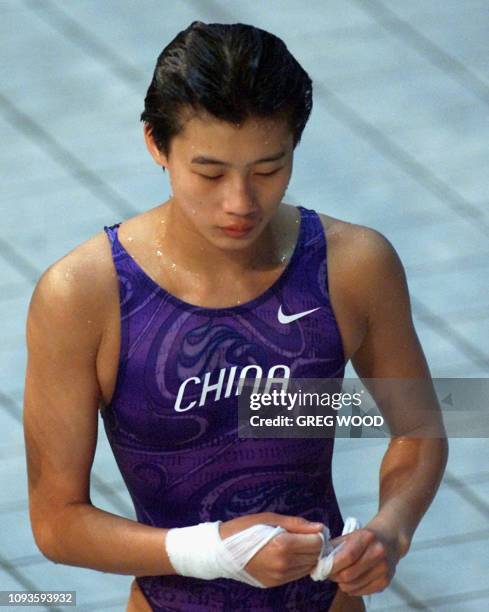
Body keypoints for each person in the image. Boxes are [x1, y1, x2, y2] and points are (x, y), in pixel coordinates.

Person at [23, 21, 448, 612]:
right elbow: (55, 522)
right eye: (210, 173)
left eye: (268, 170)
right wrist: (208, 553)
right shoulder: (83, 295)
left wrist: (391, 531)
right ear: (155, 145)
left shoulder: (354, 267)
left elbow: (421, 425)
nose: (240, 203)